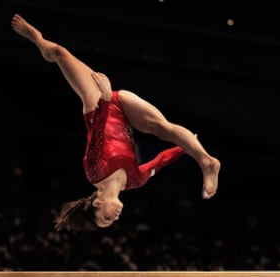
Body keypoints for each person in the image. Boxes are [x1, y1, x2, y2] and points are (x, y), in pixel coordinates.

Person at [11, 13, 221, 232]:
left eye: (105, 219)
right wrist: (185, 146)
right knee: (164, 129)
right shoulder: (135, 181)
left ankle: (36, 37)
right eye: (110, 221)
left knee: (58, 53)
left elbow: (98, 132)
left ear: (97, 203)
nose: (115, 219)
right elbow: (161, 160)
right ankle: (207, 161)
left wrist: (105, 98)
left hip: (97, 105)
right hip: (122, 109)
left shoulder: (95, 172)